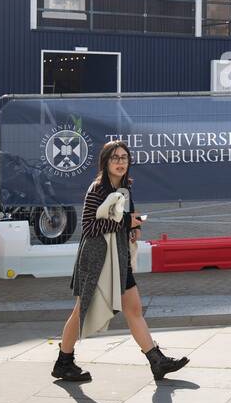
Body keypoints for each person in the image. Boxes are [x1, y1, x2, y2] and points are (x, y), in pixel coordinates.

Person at [53, 140, 189, 382]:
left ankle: (156, 361)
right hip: (97, 259)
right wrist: (126, 223)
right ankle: (64, 362)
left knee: (134, 309)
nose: (120, 162)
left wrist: (132, 229)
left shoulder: (125, 189)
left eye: (124, 158)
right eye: (115, 158)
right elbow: (89, 226)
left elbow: (123, 220)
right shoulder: (98, 189)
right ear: (105, 162)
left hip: (119, 258)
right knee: (80, 311)